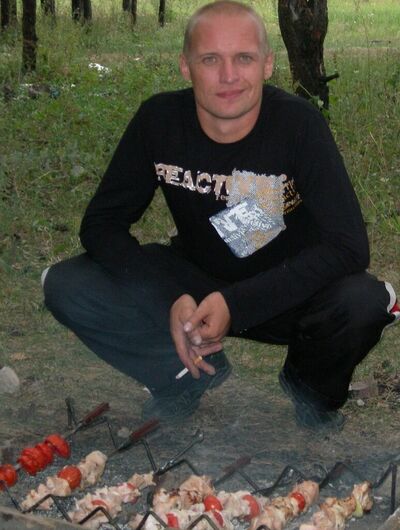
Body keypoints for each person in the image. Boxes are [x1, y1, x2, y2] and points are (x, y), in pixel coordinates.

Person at [43, 0, 399, 431]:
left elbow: (349, 247)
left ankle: (310, 391)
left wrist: (236, 304)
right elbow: (101, 225)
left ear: (267, 64)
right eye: (210, 59)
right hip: (194, 288)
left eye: (243, 58)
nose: (228, 76)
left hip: (289, 294)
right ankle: (180, 378)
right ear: (186, 66)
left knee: (363, 300)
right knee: (68, 282)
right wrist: (169, 296)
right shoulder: (159, 121)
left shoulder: (298, 125)